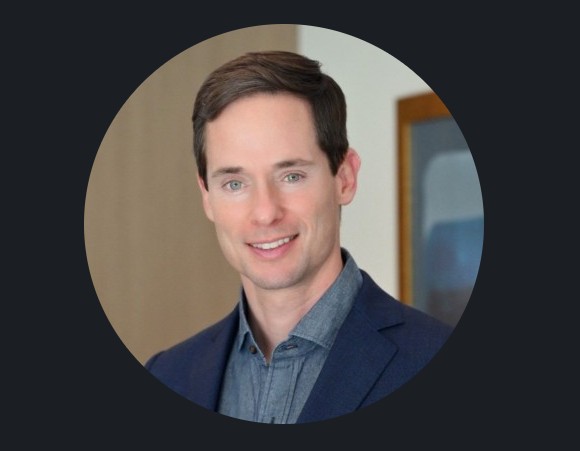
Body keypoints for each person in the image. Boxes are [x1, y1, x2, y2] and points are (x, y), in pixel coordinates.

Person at [145, 50, 453, 424]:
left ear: (345, 178)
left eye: (291, 176)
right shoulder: (168, 376)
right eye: (235, 183)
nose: (265, 212)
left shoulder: (432, 357)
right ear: (207, 197)